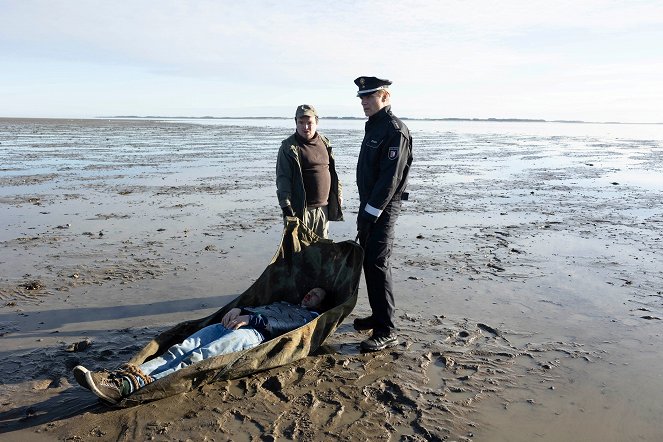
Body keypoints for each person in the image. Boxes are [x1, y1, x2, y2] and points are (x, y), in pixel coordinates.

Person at [73, 288, 327, 404]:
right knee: (180, 348)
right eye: (309, 291)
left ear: (319, 304)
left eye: (316, 295)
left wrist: (251, 319)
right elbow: (259, 308)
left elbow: (283, 326)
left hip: (251, 335)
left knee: (199, 357)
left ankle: (132, 386)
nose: (310, 295)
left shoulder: (309, 317)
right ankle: (123, 377)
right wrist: (240, 309)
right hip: (231, 323)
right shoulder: (284, 300)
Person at [352, 76, 413, 352]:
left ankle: (387, 329)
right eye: (362, 98)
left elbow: (389, 180)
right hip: (370, 207)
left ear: (385, 97)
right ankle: (378, 316)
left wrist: (371, 214)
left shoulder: (394, 130)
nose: (365, 102)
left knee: (378, 264)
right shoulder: (374, 127)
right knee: (369, 264)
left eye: (370, 97)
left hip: (383, 210)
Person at [276, 104, 343, 238]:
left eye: (309, 123)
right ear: (296, 122)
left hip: (323, 209)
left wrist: (339, 193)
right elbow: (283, 178)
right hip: (300, 211)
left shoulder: (325, 143)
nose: (305, 127)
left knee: (321, 252)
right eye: (301, 122)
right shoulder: (288, 147)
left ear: (316, 122)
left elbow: (332, 171)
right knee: (299, 254)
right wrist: (286, 207)